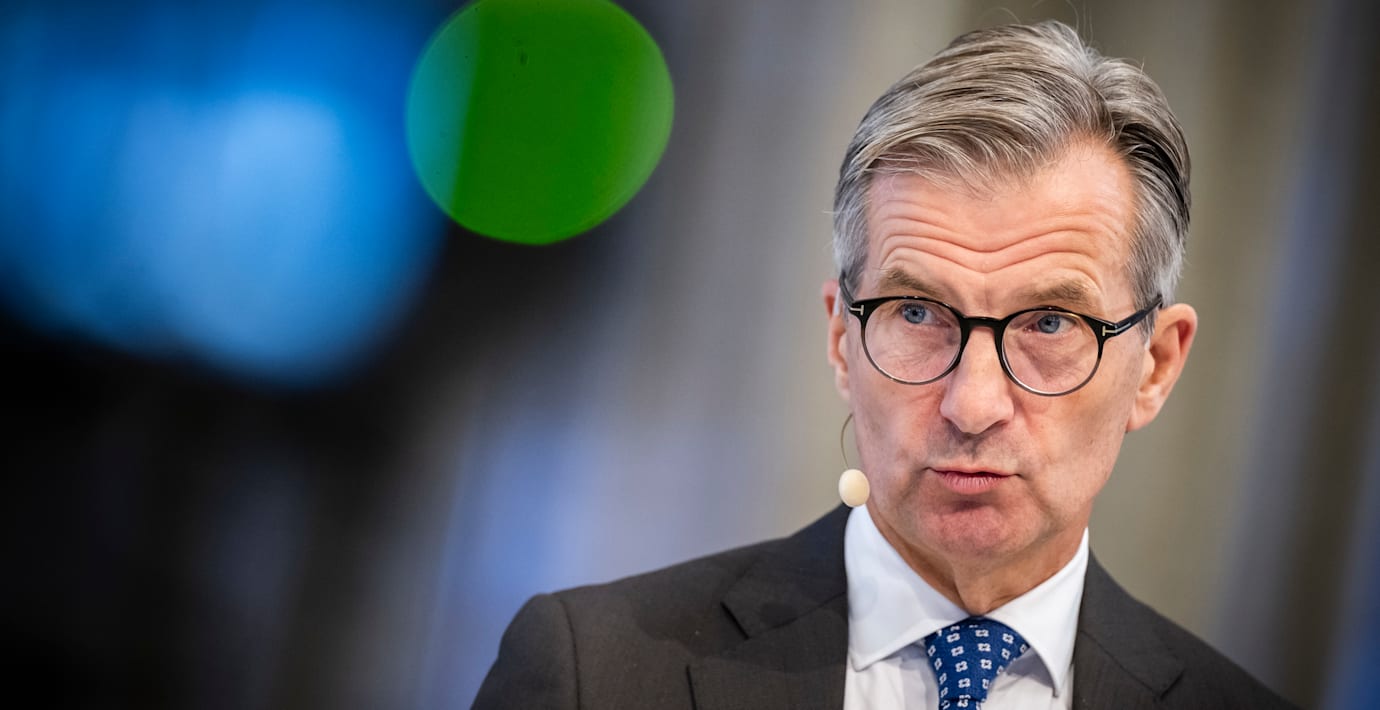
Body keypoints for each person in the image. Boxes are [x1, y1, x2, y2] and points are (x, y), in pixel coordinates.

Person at [474, 20, 1297, 709]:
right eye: (917, 313)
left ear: (1154, 366)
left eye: (1049, 322)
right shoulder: (593, 674)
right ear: (842, 337)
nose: (973, 403)